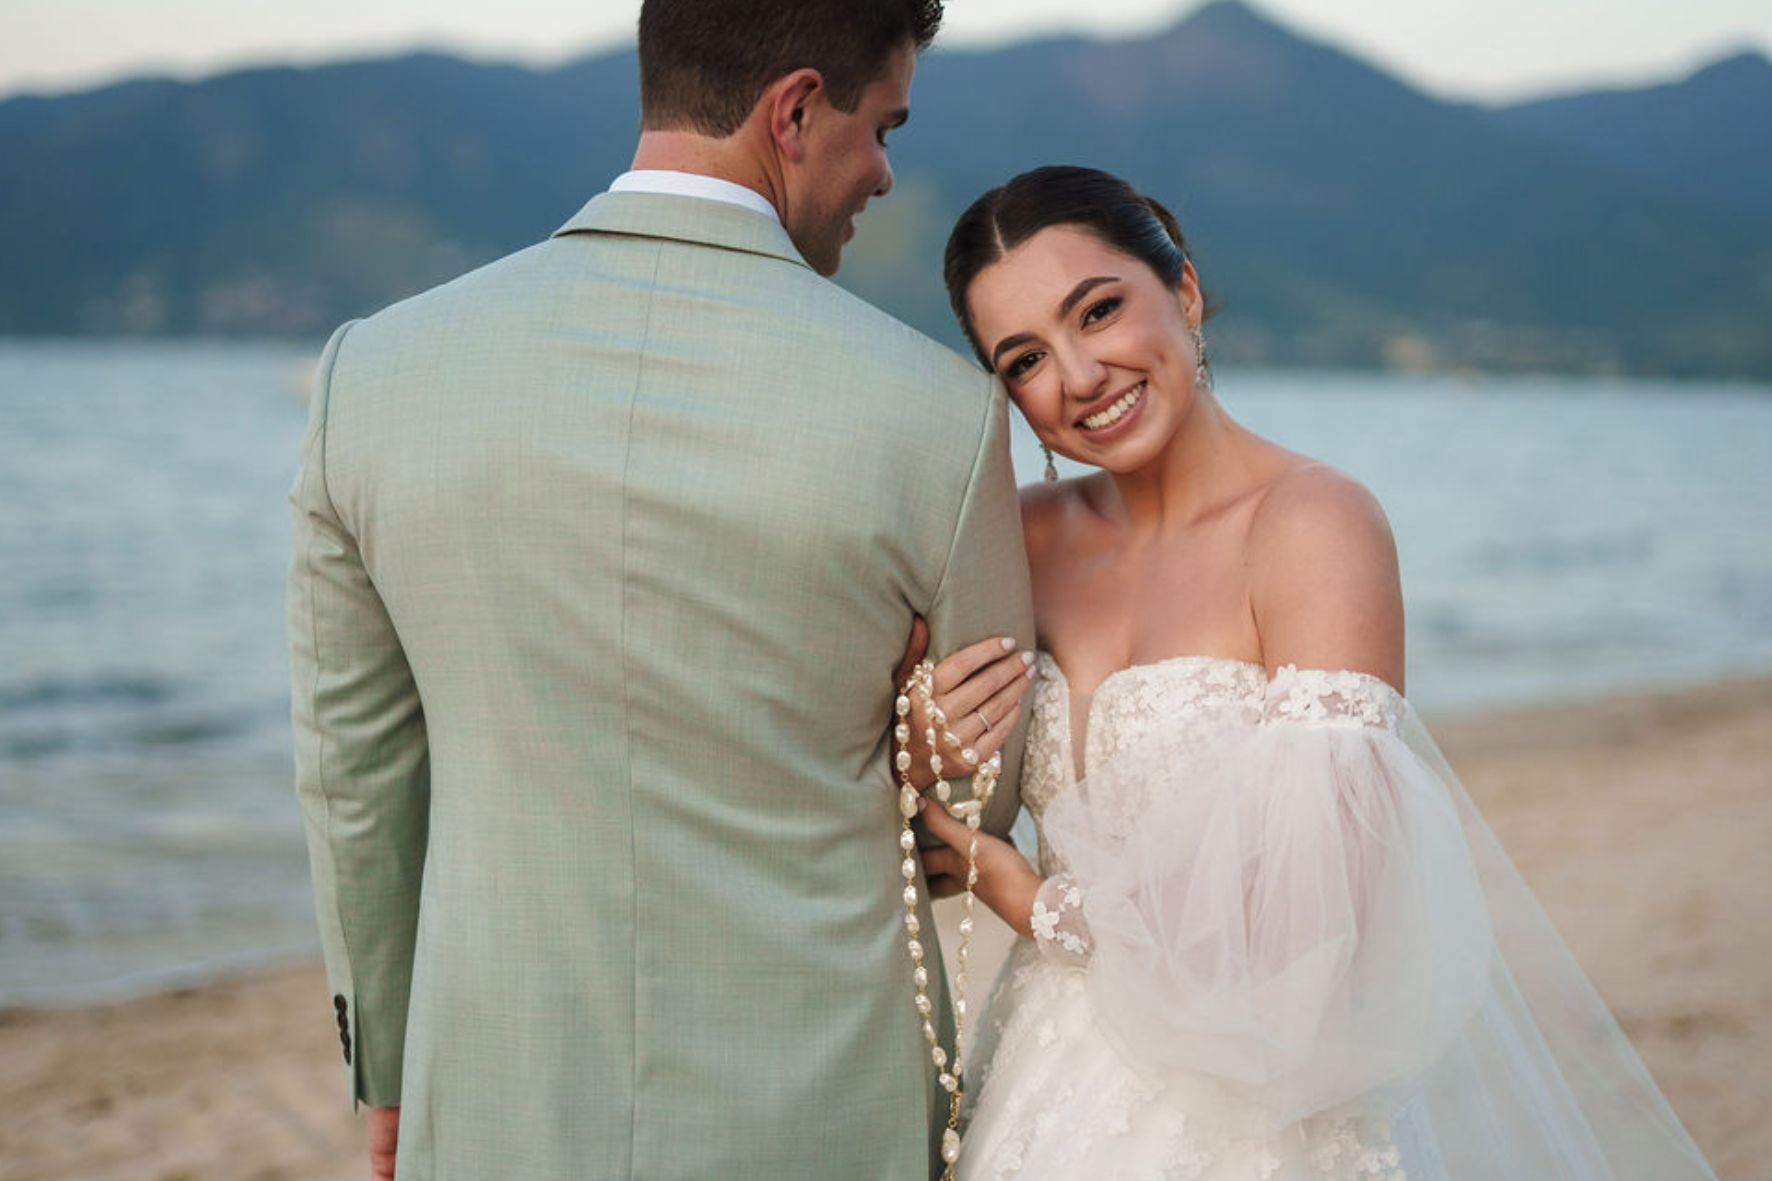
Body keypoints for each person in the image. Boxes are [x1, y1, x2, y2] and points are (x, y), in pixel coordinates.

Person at [285, 1, 1036, 1176]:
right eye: (881, 125)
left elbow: (358, 781)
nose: (886, 173)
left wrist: (388, 1067)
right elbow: (975, 806)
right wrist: (896, 731)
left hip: (496, 1087)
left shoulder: (368, 379)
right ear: (792, 111)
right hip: (824, 1101)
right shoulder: (940, 414)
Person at [901, 165, 1719, 1179]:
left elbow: (1317, 923)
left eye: (1099, 310)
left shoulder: (1312, 525)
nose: (1075, 377)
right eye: (1024, 358)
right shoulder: (1012, 539)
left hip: (1250, 1110)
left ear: (1186, 293)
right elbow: (897, 793)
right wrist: (922, 746)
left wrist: (1026, 899)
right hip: (1037, 1080)